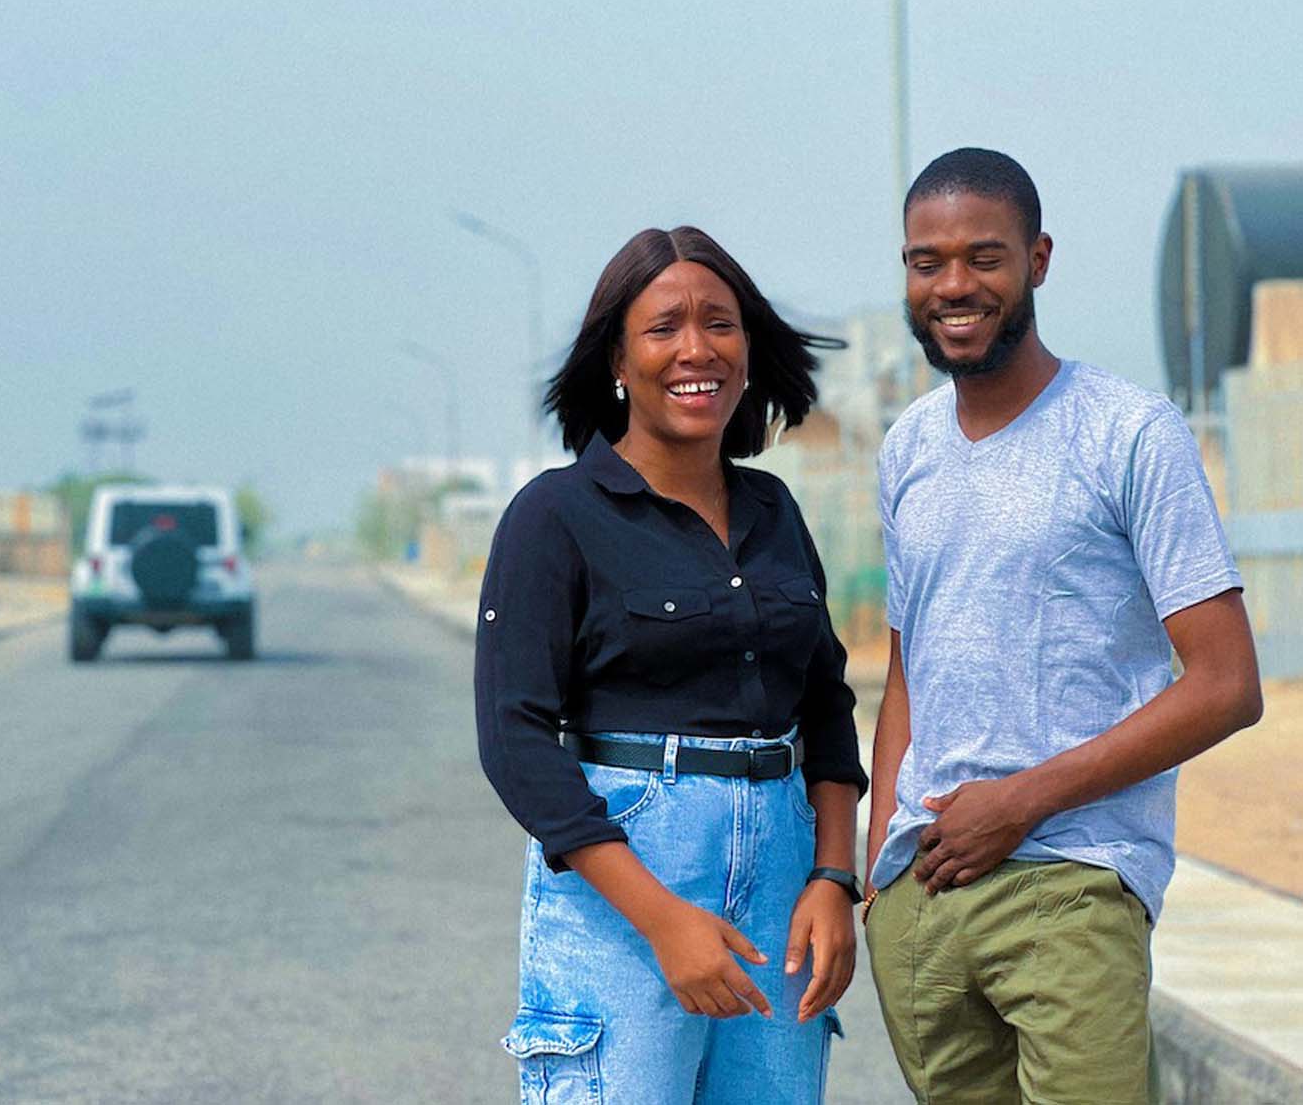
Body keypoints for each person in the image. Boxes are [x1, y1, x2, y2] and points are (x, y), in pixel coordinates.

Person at [863, 147, 1264, 1103]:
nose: (955, 285)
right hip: (924, 899)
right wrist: (880, 864)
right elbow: (907, 672)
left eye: (984, 257)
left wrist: (1023, 800)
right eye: (929, 262)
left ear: (1038, 260)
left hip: (1073, 886)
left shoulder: (1129, 433)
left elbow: (1227, 685)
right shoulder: (907, 447)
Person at [475, 226, 868, 1103]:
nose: (697, 349)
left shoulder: (774, 511)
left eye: (720, 324)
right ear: (618, 356)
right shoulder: (556, 516)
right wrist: (662, 921)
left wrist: (833, 878)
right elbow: (516, 741)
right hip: (626, 891)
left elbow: (827, 706)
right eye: (664, 328)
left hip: (780, 892)